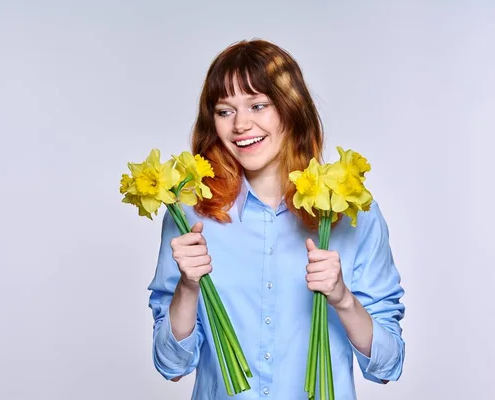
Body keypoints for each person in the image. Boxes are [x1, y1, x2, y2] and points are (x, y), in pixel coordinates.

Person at [147, 39, 405, 400]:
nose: (241, 125)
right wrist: (188, 288)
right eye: (225, 111)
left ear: (291, 108)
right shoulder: (188, 213)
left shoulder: (350, 211)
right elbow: (171, 365)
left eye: (258, 105)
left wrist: (342, 298)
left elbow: (387, 366)